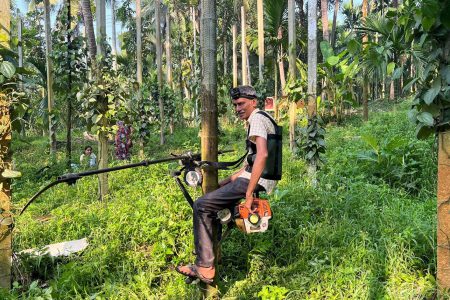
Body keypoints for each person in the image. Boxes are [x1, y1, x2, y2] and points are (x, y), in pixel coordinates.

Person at [176, 85, 282, 284]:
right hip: (252, 177)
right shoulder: (258, 119)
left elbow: (262, 156)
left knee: (201, 205)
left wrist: (249, 194)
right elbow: (247, 166)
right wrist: (220, 184)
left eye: (241, 103)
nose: (238, 108)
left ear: (254, 102)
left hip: (256, 181)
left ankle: (205, 267)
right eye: (235, 105)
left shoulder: (257, 119)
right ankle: (209, 256)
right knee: (211, 204)